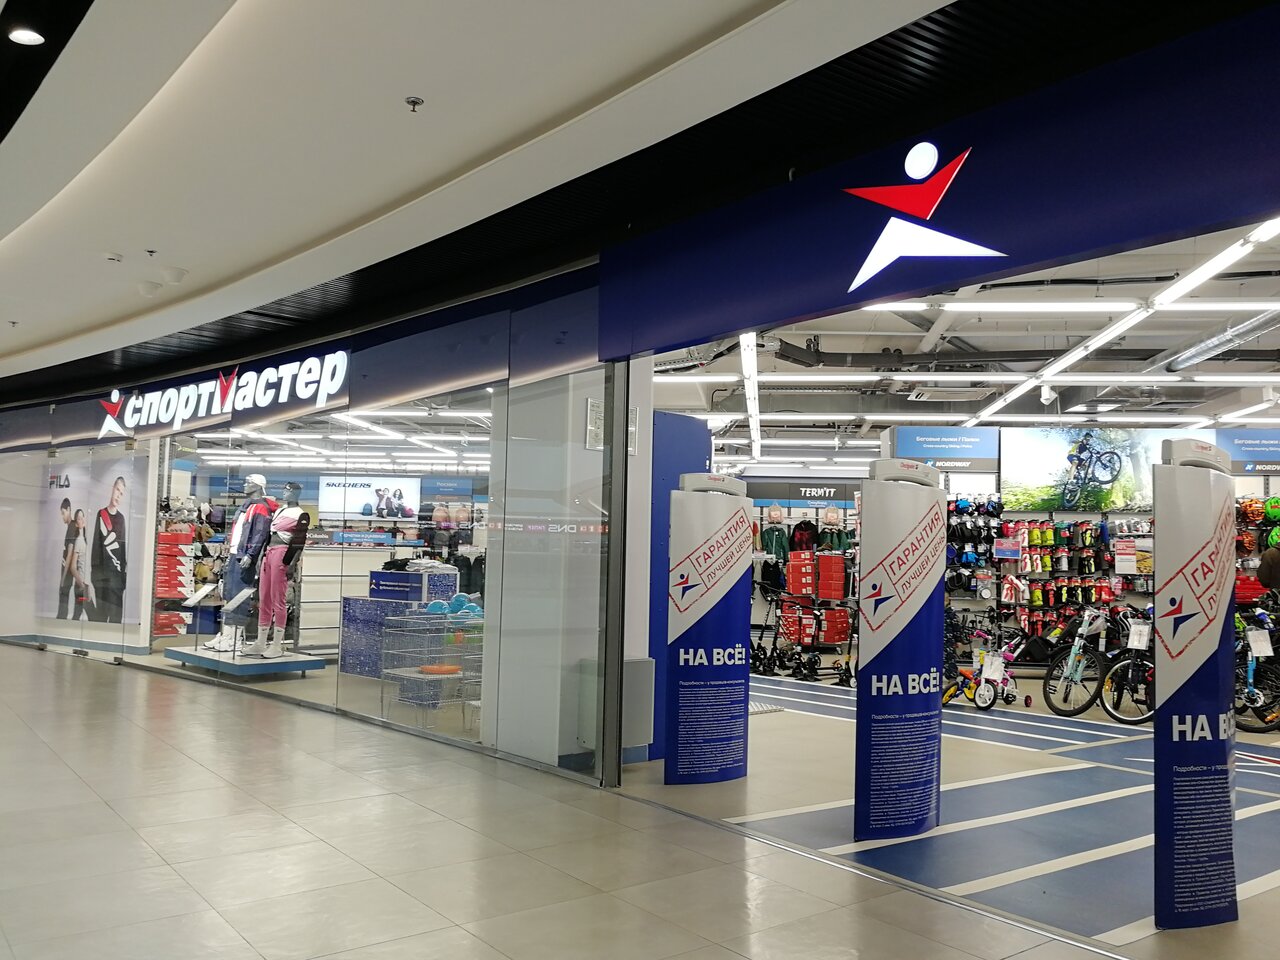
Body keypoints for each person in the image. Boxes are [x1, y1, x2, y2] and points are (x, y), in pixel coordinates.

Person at [90, 475, 128, 623]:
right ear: (112, 489)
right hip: (101, 576)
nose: (118, 495)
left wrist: (123, 577)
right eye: (117, 490)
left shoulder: (121, 519)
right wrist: (95, 573)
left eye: (122, 493)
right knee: (101, 616)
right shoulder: (101, 514)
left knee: (115, 617)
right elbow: (96, 545)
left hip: (116, 577)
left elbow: (122, 549)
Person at [68, 509, 95, 621]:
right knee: (93, 616)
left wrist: (87, 587)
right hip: (81, 586)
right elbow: (72, 567)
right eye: (79, 518)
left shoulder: (84, 540)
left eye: (83, 517)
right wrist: (83, 586)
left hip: (84, 585)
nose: (82, 519)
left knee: (77, 615)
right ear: (76, 523)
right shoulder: (79, 541)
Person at [55, 498, 75, 618]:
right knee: (63, 600)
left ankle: (61, 619)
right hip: (66, 572)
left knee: (63, 598)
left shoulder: (72, 527)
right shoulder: (70, 527)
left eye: (63, 513)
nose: (62, 517)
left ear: (68, 509)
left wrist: (63, 578)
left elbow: (69, 554)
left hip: (67, 574)